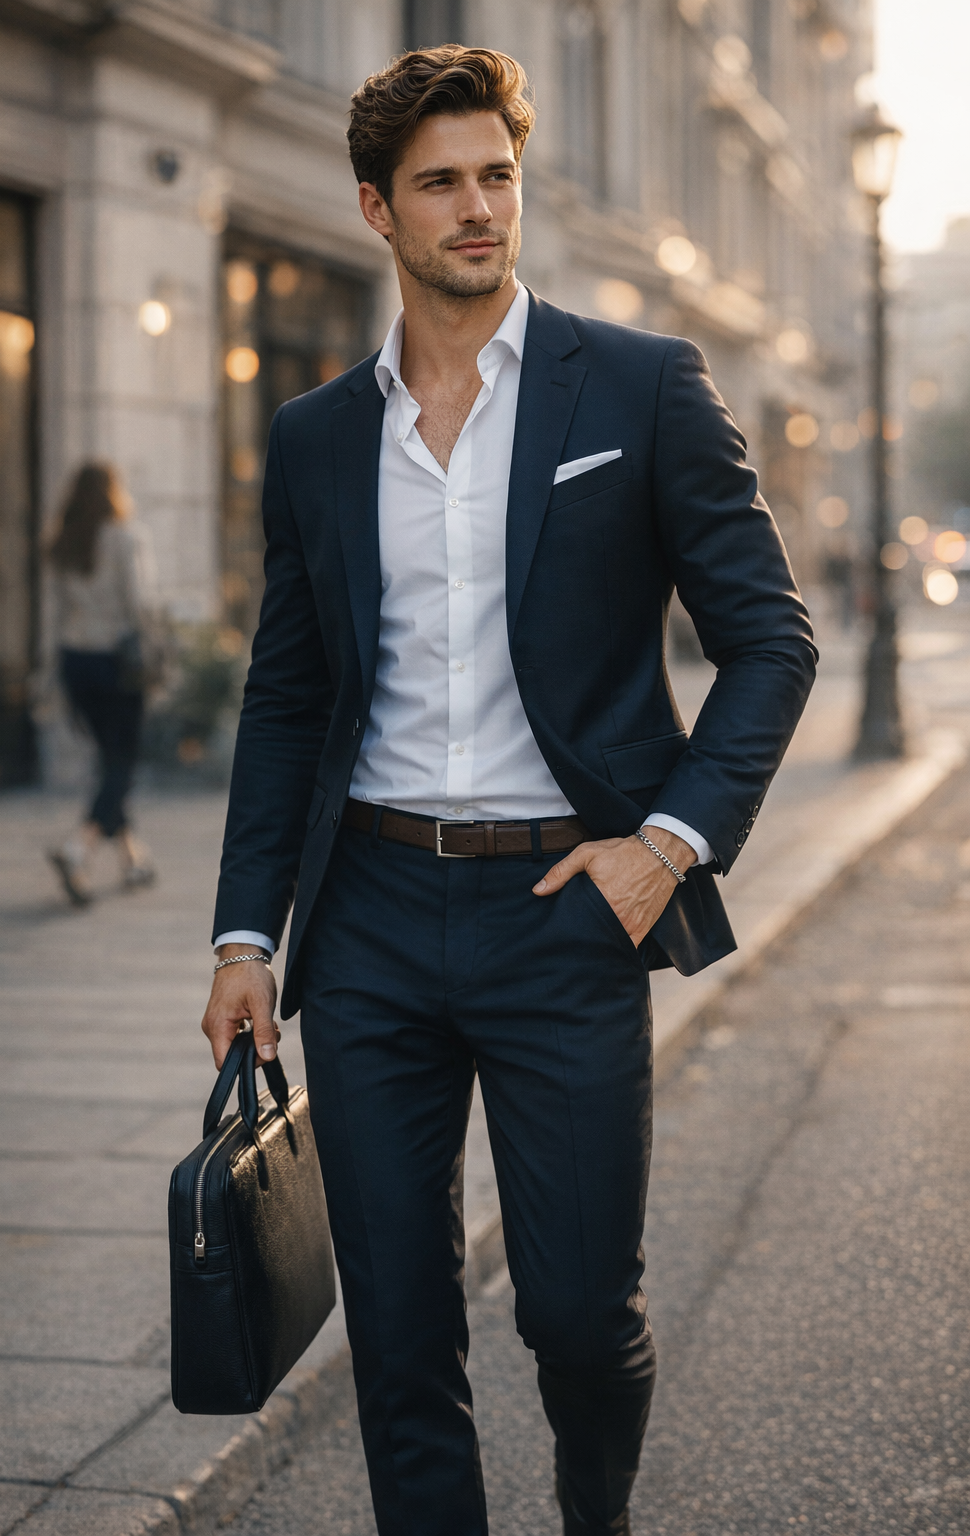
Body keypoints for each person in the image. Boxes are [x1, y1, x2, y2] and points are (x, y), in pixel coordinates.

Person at [201, 46, 817, 1536]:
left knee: (577, 1316)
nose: (479, 208)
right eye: (441, 185)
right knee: (402, 1339)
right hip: (373, 924)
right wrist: (244, 937)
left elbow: (770, 643)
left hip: (570, 912)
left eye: (498, 177)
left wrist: (666, 846)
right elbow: (289, 698)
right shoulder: (318, 436)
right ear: (377, 209)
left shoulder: (647, 386)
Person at [44, 461, 156, 905]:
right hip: (116, 662)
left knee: (112, 757)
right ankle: (78, 848)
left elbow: (53, 616)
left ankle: (133, 860)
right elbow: (138, 605)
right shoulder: (125, 537)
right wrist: (155, 649)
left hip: (76, 661)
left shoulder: (62, 543)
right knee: (122, 761)